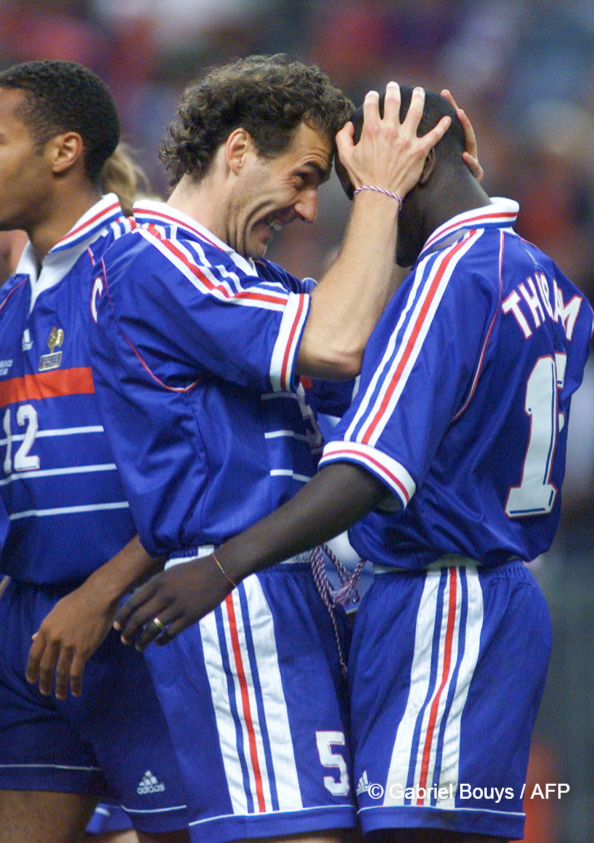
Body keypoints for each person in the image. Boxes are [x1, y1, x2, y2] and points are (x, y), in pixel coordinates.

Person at [115, 86, 593, 843]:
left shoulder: (447, 279)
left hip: (442, 605)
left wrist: (223, 566)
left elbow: (369, 465)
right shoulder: (549, 280)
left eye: (340, 183)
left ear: (408, 169)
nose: (327, 211)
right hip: (490, 597)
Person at [86, 57, 457, 843]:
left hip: (290, 584)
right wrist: (382, 194)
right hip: (235, 593)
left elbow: (374, 346)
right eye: (303, 177)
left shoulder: (249, 276)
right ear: (238, 150)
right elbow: (338, 341)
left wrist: (443, 201)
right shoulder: (154, 258)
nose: (308, 207)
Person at [0, 60, 189, 843]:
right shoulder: (17, 296)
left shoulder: (141, 265)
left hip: (146, 625)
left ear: (64, 151)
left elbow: (207, 464)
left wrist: (99, 597)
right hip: (30, 637)